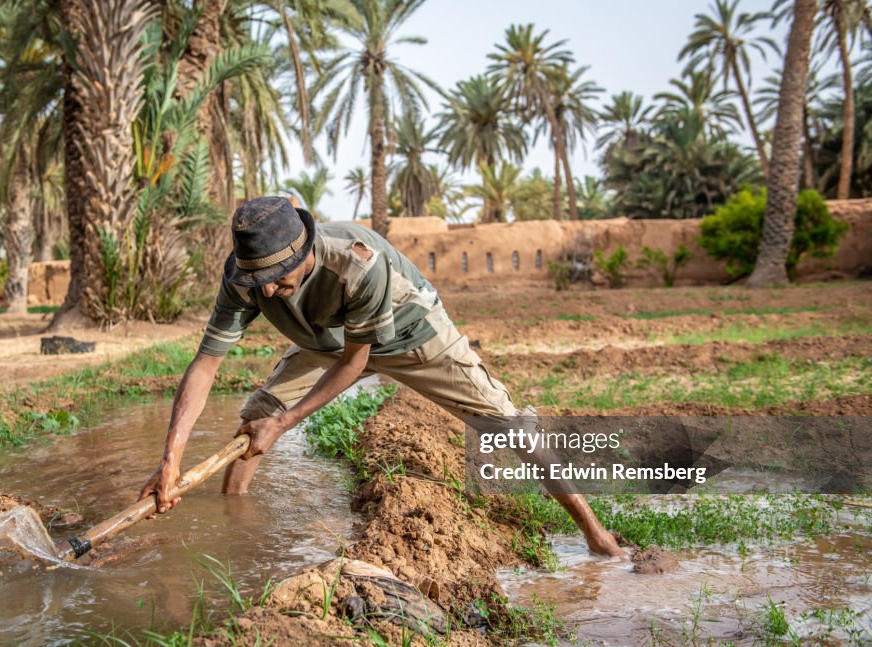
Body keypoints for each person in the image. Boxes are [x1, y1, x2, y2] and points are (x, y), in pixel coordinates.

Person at [138, 196, 624, 557]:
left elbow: (357, 362)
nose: (267, 291)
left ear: (305, 249)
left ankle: (595, 535)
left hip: (412, 333)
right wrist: (170, 459)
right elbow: (205, 364)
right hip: (325, 337)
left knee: (507, 424)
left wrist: (286, 425)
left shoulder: (355, 261)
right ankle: (236, 528)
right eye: (257, 281)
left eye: (279, 278)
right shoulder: (246, 277)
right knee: (255, 418)